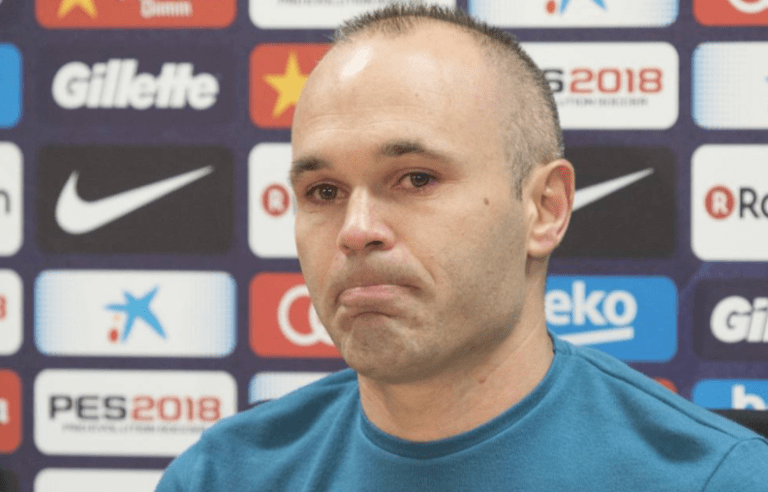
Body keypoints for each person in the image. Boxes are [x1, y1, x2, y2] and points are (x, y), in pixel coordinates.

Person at [156, 5, 768, 490]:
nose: (356, 228)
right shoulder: (222, 475)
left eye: (416, 179)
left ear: (544, 209)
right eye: (324, 191)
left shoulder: (715, 479)